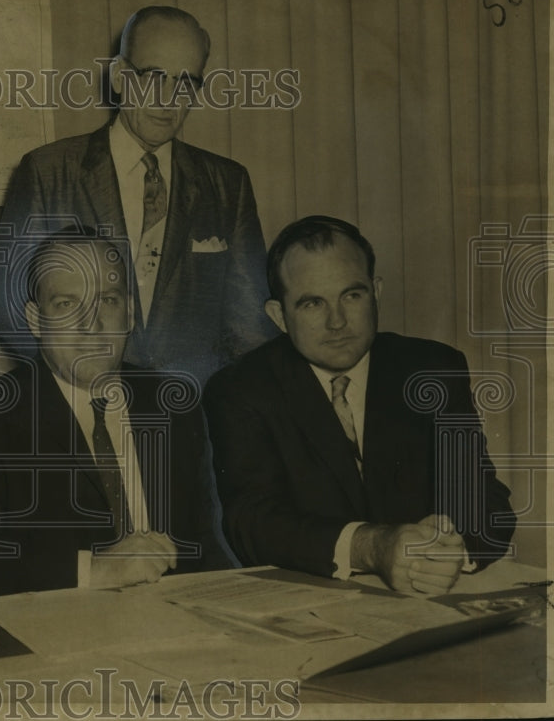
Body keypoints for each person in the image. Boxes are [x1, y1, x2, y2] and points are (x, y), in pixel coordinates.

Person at [204, 216, 516, 594]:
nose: (337, 322)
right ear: (278, 316)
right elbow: (253, 523)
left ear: (376, 292)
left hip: (432, 596)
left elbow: (483, 497)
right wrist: (373, 547)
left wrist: (451, 551)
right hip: (313, 603)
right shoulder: (240, 389)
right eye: (312, 303)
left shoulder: (433, 368)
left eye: (352, 295)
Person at [0, 229, 235, 599]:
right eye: (67, 304)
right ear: (35, 320)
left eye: (107, 301)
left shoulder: (172, 405)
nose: (92, 324)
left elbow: (207, 551)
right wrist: (94, 569)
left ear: (129, 313)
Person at [0, 6, 274, 386]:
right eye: (155, 77)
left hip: (194, 411)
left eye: (186, 82)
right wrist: (75, 388)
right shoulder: (48, 171)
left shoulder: (227, 184)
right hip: (82, 405)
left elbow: (251, 328)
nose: (170, 98)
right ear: (121, 77)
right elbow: (10, 307)